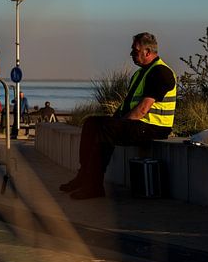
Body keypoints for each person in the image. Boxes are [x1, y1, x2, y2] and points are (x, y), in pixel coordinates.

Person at [59, 32, 176, 200]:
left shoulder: (161, 72)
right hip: (139, 125)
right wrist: (114, 121)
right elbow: (126, 106)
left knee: (105, 130)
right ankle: (83, 176)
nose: (131, 54)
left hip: (154, 128)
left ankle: (94, 186)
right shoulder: (139, 74)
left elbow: (143, 109)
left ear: (148, 52)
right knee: (91, 123)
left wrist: (116, 125)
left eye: (135, 51)